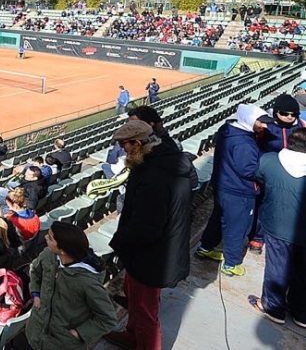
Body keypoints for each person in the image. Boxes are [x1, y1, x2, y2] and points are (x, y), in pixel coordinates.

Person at [105, 120, 192, 350]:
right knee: (135, 300)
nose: (123, 150)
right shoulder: (161, 161)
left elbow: (146, 227)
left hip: (152, 256)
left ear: (137, 143)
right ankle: (131, 336)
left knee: (146, 312)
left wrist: (119, 241)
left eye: (125, 145)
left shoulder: (154, 176)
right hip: (151, 252)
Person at [195, 104, 267, 277]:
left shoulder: (227, 130)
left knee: (217, 218)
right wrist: (265, 169)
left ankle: (205, 247)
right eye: (260, 122)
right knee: (237, 226)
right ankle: (232, 263)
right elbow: (248, 170)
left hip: (223, 185)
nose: (264, 126)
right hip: (240, 190)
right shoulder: (245, 142)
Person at [26, 221, 117, 350]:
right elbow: (35, 270)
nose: (45, 237)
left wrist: (79, 333)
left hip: (62, 344)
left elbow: (108, 319)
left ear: (62, 250)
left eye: (50, 238)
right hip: (36, 332)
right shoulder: (48, 255)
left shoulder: (86, 282)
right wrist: (35, 293)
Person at [249, 127, 306, 326]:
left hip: (276, 224)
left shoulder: (270, 160)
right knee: (302, 271)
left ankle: (274, 308)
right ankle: (301, 313)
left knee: (277, 267)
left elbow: (259, 178)